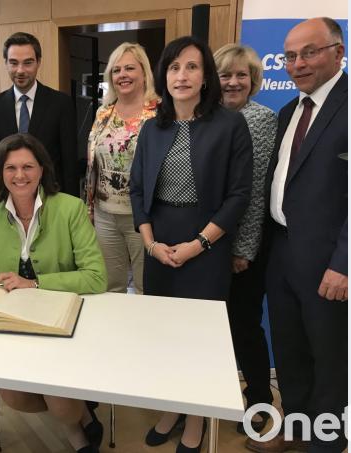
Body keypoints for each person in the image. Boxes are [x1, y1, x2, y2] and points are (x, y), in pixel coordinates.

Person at [0, 133, 107, 453]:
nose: (19, 175)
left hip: (59, 320)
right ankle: (81, 409)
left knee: (59, 398)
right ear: (0, 172)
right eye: (10, 167)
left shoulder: (70, 209)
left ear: (42, 170)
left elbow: (96, 278)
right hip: (9, 322)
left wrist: (35, 283)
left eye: (28, 166)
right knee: (14, 396)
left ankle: (78, 434)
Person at [129, 36, 252, 453]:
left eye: (192, 67)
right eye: (174, 67)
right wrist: (150, 243)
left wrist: (198, 244)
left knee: (200, 340)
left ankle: (196, 416)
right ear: (164, 76)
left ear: (206, 77)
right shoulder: (152, 127)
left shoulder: (230, 124)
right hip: (159, 243)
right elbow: (138, 189)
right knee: (164, 334)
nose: (182, 75)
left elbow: (239, 195)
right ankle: (170, 407)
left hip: (207, 245)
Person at [245, 17, 348, 453]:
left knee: (329, 354)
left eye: (309, 52)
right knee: (287, 347)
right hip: (282, 250)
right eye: (289, 55)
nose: (297, 63)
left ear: (338, 52)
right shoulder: (290, 111)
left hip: (328, 260)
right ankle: (299, 425)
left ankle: (328, 440)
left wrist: (346, 263)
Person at [213, 43, 277, 435]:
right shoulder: (208, 118)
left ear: (253, 80)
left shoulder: (262, 119)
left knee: (244, 324)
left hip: (243, 247)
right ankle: (216, 395)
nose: (234, 82)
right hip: (208, 242)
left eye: (242, 75)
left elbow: (254, 193)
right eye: (225, 75)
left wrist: (243, 250)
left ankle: (259, 400)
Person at [85, 42, 159, 294]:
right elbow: (93, 164)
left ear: (144, 73)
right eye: (116, 70)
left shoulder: (159, 113)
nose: (122, 75)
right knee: (109, 286)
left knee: (144, 286)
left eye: (129, 68)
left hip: (143, 216)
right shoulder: (103, 113)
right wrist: (90, 208)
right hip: (105, 214)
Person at [0, 32, 80, 196]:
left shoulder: (61, 104)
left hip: (51, 196)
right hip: (7, 198)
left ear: (38, 62)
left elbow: (69, 162)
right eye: (14, 63)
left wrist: (73, 204)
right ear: (5, 63)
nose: (20, 70)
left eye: (28, 63)